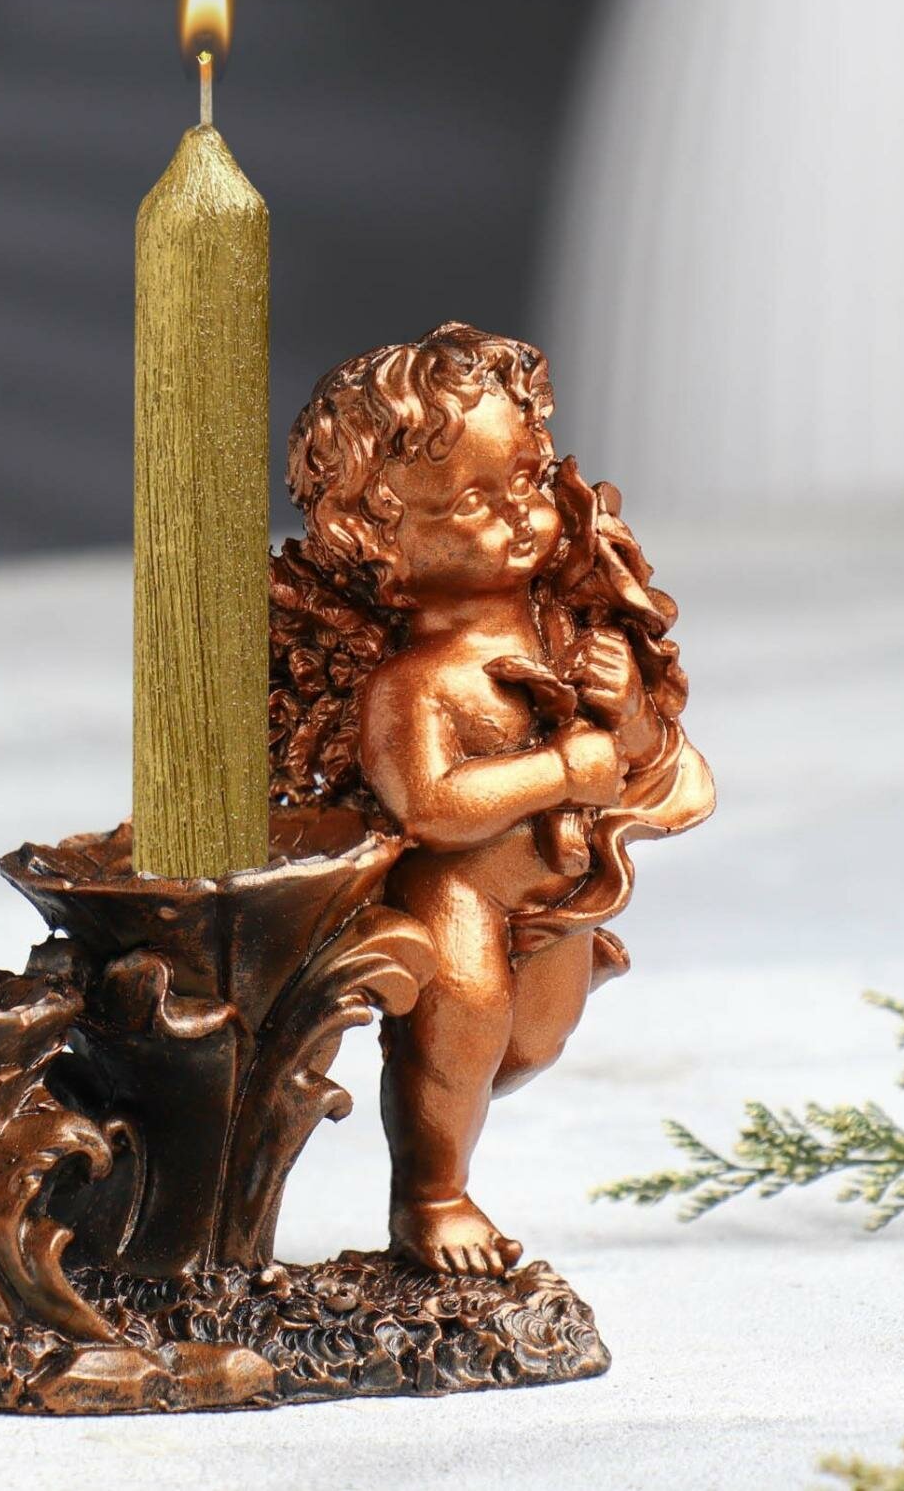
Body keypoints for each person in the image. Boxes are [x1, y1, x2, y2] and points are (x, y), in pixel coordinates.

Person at [270, 323, 714, 1275]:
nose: (518, 516)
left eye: (524, 481)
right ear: (380, 543)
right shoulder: (413, 684)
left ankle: (507, 1029)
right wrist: (560, 772)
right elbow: (431, 807)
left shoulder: (569, 632)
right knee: (464, 1025)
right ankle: (432, 1197)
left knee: (535, 1046)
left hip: (555, 891)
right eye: (472, 501)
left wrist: (631, 710)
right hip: (460, 894)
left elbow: (638, 758)